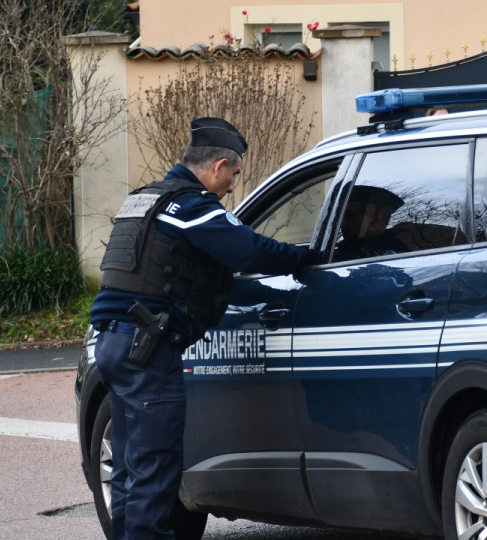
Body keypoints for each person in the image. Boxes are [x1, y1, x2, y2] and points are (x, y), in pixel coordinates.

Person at [89, 117, 311, 540]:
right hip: (148, 349)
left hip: (113, 344)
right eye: (233, 176)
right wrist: (303, 256)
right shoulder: (191, 206)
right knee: (155, 466)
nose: (231, 187)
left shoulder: (143, 199)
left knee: (130, 466)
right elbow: (248, 248)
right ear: (218, 166)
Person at [334, 185, 409, 260]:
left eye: (348, 215)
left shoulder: (394, 256)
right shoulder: (340, 249)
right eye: (338, 216)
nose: (341, 223)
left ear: (374, 219)